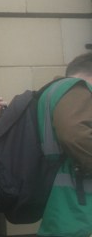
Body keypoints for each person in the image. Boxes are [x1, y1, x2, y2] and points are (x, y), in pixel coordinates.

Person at [37, 52, 92, 237]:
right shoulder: (76, 89)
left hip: (60, 211)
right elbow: (75, 136)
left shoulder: (51, 92)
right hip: (78, 212)